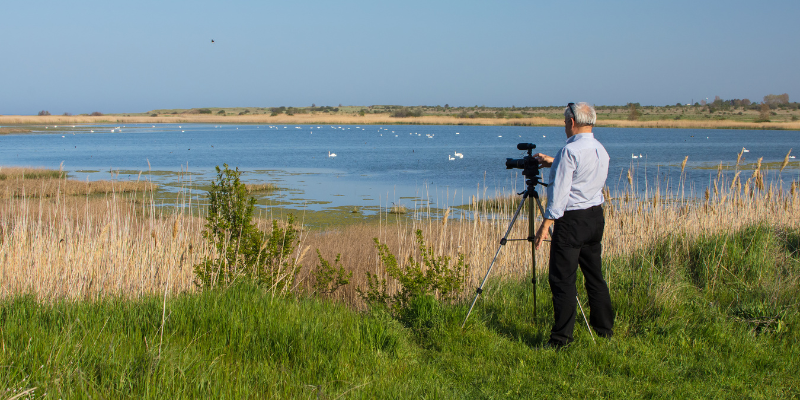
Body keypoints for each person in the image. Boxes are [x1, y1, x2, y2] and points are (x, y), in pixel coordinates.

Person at [533, 102, 614, 348]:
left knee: (562, 279)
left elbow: (558, 194)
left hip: (571, 221)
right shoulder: (601, 149)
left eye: (564, 122)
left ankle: (561, 339)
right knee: (594, 277)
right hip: (594, 217)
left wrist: (545, 224)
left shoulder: (569, 152)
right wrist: (553, 162)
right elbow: (583, 175)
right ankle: (604, 330)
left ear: (571, 122)